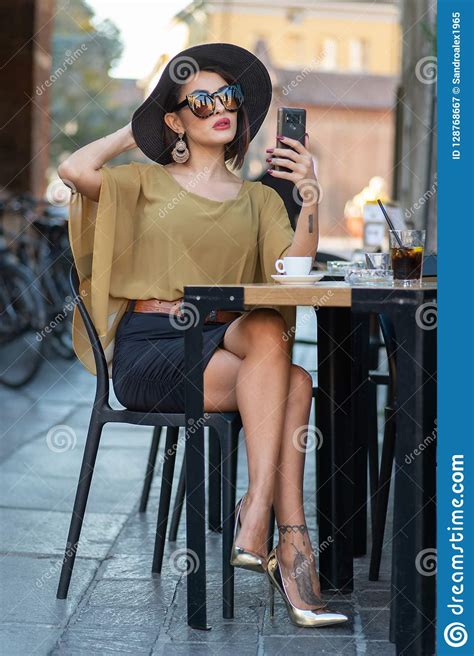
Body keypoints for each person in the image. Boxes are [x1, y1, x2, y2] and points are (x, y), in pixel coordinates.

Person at [59, 42, 348, 628]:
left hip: (230, 343)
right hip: (153, 349)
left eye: (231, 98)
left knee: (272, 332)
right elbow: (74, 171)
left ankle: (259, 519)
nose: (222, 107)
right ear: (176, 119)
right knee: (295, 384)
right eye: (202, 100)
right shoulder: (143, 182)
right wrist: (136, 128)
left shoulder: (261, 199)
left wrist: (311, 194)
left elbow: (289, 272)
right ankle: (284, 541)